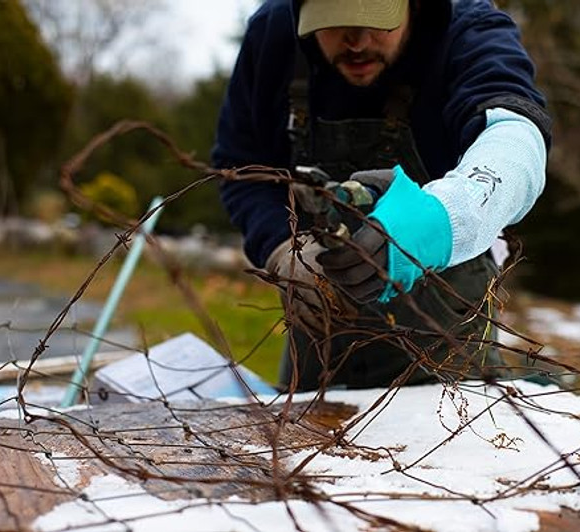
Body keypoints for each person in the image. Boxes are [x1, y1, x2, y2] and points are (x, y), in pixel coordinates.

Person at [213, 0, 551, 391]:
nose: (356, 42)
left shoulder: (470, 32)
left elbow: (516, 138)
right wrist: (280, 247)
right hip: (318, 325)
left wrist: (442, 219)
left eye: (375, 22)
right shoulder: (272, 36)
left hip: (442, 335)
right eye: (335, 24)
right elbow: (242, 167)